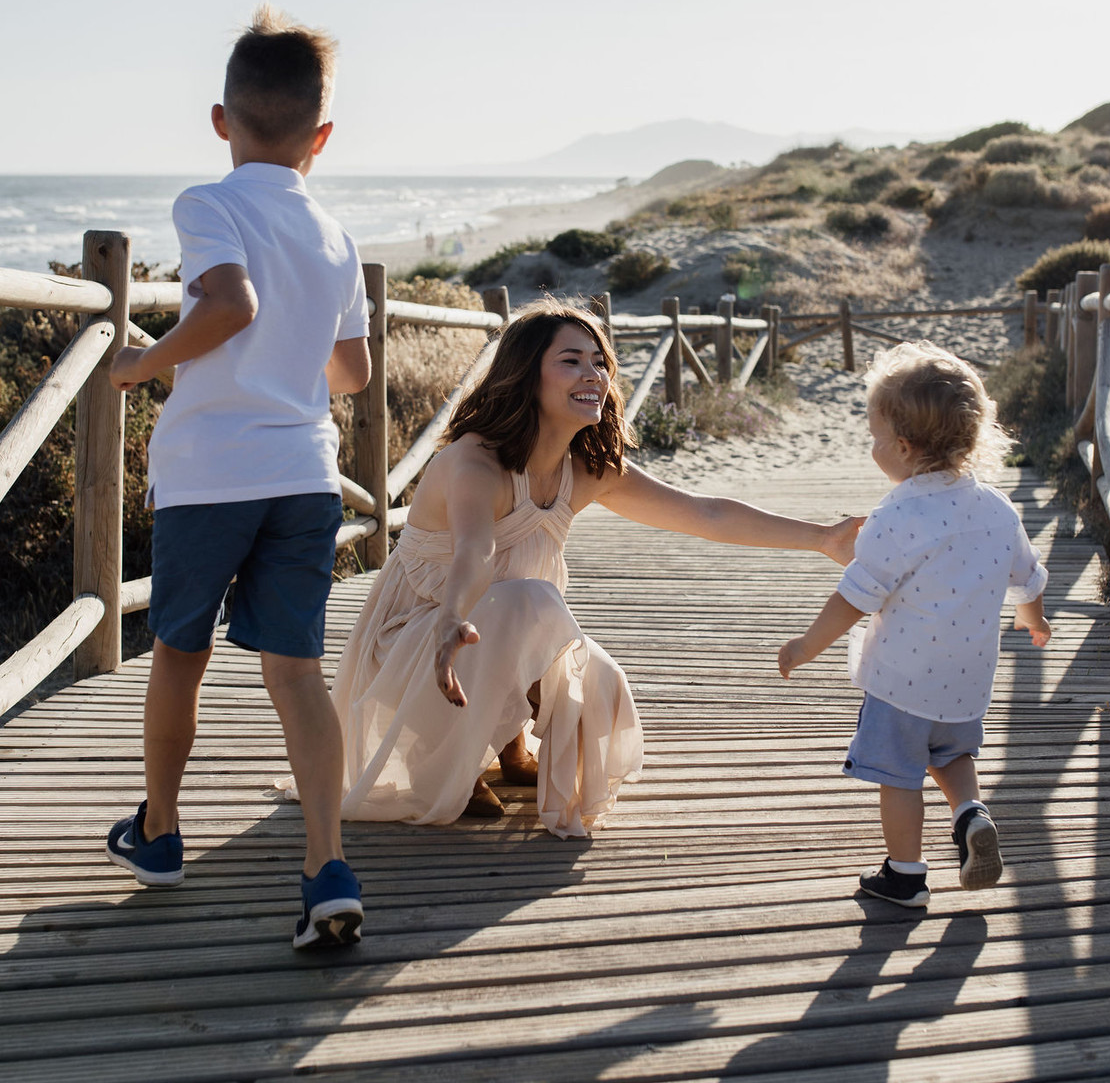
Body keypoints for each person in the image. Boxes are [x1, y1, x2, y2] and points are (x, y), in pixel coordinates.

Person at [306, 298, 862, 837]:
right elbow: (476, 552)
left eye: (599, 361)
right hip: (421, 642)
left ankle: (509, 742)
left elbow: (705, 512)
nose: (592, 373)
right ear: (527, 375)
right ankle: (449, 757)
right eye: (570, 361)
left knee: (589, 671)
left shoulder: (586, 468)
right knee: (524, 602)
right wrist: (452, 614)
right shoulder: (476, 461)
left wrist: (824, 539)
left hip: (488, 632)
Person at [103, 4, 372, 950]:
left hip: (212, 470)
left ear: (222, 119)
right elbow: (355, 373)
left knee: (181, 652)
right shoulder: (336, 236)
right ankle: (326, 866)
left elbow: (228, 304)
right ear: (321, 136)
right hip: (304, 474)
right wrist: (294, 357)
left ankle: (162, 833)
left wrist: (142, 364)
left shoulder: (207, 204)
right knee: (296, 672)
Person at [778, 341, 1050, 909]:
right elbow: (1028, 579)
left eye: (876, 437)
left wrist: (808, 644)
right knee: (952, 757)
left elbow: (854, 596)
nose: (873, 446)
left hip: (901, 683)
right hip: (968, 682)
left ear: (902, 446)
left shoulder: (895, 517)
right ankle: (970, 815)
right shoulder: (999, 508)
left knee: (899, 775)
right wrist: (1035, 622)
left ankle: (905, 875)